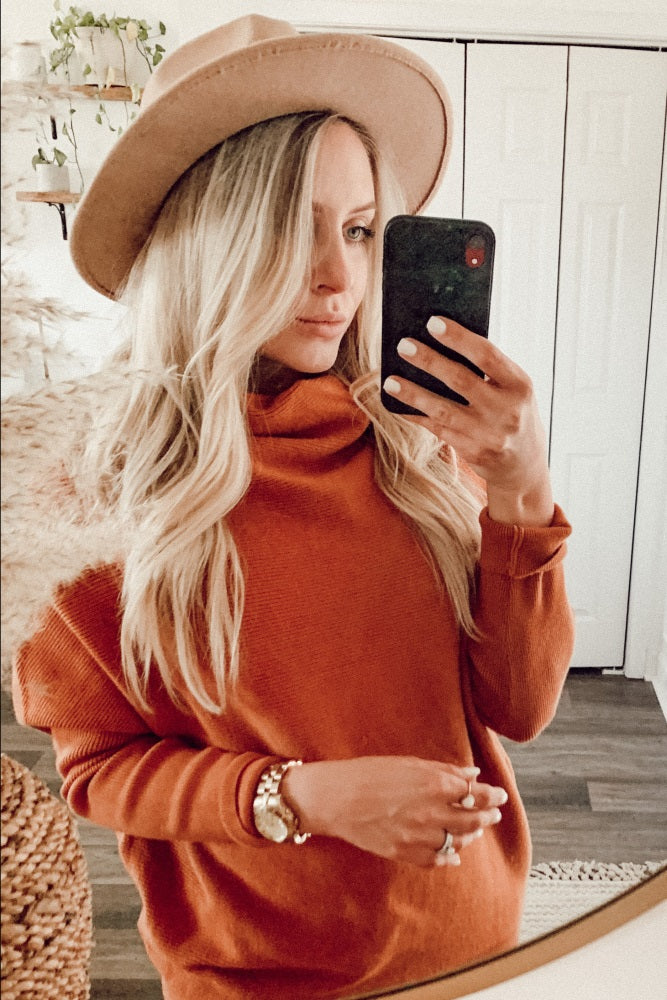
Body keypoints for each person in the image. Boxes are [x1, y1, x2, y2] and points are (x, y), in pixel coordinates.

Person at [13, 14, 575, 1000]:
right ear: (203, 238)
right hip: (254, 978)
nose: (339, 278)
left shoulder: (419, 446)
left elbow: (519, 710)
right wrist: (296, 795)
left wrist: (521, 490)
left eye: (358, 229)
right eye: (289, 227)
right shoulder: (87, 492)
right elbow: (100, 770)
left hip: (475, 951)